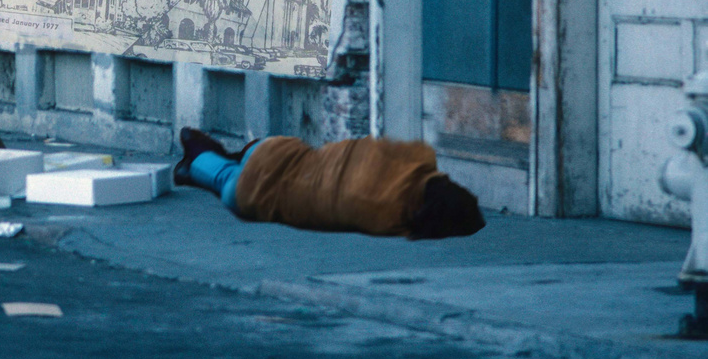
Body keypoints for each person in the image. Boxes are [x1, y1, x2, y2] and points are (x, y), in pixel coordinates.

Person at [175, 127, 485, 240]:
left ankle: (217, 157)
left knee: (255, 160)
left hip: (274, 150)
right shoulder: (392, 221)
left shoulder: (410, 165)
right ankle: (200, 165)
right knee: (230, 182)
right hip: (248, 197)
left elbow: (364, 148)